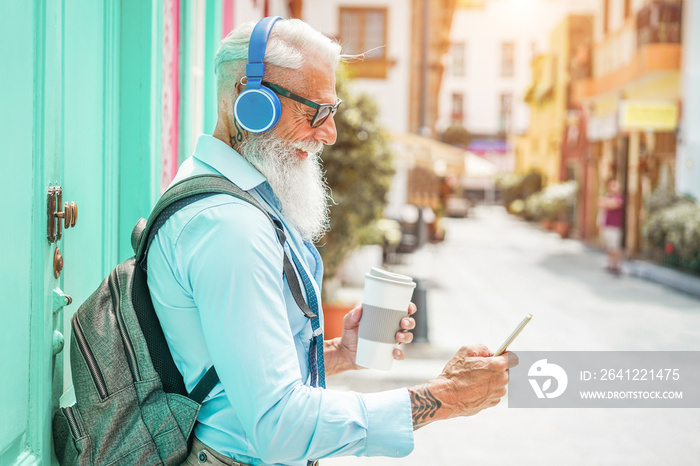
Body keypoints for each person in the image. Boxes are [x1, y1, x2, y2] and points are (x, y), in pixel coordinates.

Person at [147, 17, 517, 466]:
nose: (330, 133)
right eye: (315, 112)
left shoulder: (219, 192)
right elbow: (279, 426)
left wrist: (341, 354)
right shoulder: (231, 227)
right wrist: (444, 397)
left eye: (333, 110)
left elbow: (232, 370)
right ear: (252, 104)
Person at [598, 179, 625, 274]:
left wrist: (606, 203)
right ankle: (609, 264)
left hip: (614, 226)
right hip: (606, 225)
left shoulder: (620, 197)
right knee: (609, 247)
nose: (613, 187)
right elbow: (600, 203)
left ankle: (616, 265)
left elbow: (615, 204)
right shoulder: (608, 196)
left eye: (615, 185)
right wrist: (607, 202)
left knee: (615, 247)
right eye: (611, 185)